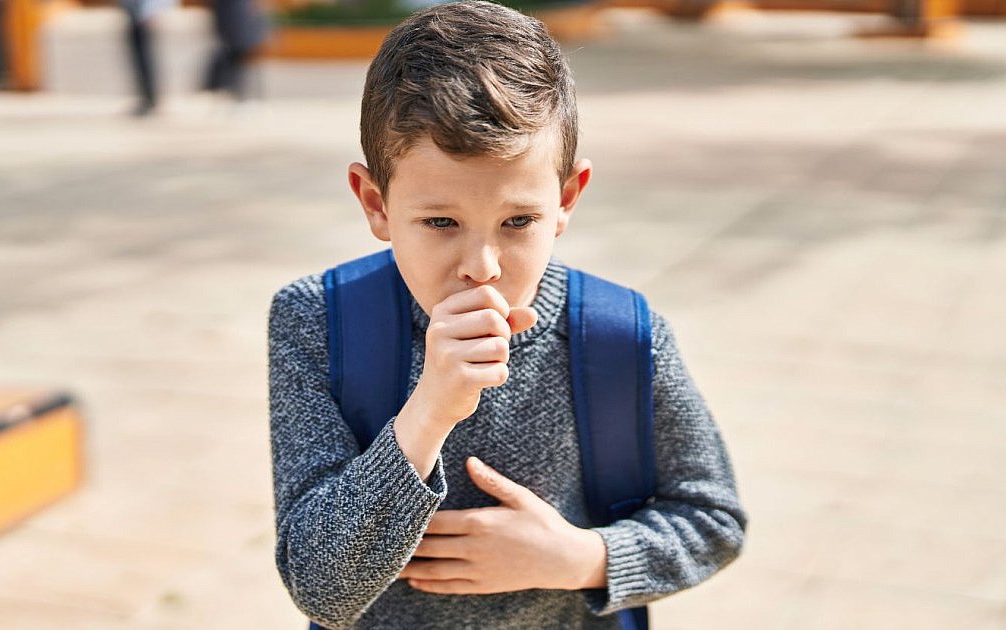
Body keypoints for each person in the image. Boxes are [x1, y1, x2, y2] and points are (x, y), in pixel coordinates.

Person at [266, 2, 747, 628]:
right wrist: (429, 412)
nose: (482, 266)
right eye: (441, 223)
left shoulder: (621, 334)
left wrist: (581, 557)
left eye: (517, 222)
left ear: (567, 198)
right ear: (376, 204)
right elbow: (320, 588)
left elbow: (713, 519)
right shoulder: (315, 323)